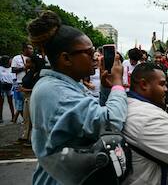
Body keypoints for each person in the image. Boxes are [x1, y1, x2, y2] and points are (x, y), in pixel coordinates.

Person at [27, 11, 127, 184]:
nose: (96, 57)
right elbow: (111, 121)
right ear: (66, 58)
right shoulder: (55, 91)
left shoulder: (68, 84)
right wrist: (118, 83)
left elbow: (93, 114)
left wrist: (106, 87)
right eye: (88, 53)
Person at [19, 54, 45, 144]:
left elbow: (38, 87)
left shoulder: (39, 74)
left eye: (28, 62)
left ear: (34, 63)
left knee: (33, 118)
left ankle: (34, 138)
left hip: (33, 97)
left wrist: (25, 89)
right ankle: (25, 136)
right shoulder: (30, 72)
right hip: (26, 97)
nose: (25, 64)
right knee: (26, 118)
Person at [11, 43, 33, 123]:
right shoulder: (16, 58)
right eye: (30, 48)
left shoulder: (33, 58)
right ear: (24, 49)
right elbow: (13, 70)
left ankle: (27, 121)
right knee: (20, 105)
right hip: (19, 84)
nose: (32, 50)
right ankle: (25, 120)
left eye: (32, 48)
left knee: (29, 104)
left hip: (30, 84)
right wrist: (24, 67)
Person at [0, 55, 16, 123]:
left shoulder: (11, 68)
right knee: (1, 102)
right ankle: (0, 118)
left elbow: (14, 78)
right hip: (1, 86)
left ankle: (13, 116)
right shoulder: (0, 68)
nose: (10, 61)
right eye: (9, 60)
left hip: (10, 86)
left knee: (10, 102)